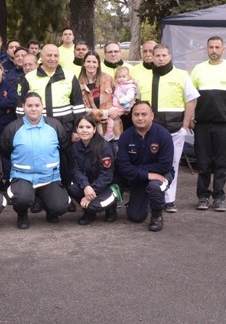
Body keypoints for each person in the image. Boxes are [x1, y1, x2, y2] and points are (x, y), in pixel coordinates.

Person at [190, 36, 226, 211]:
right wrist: (190, 118)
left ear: (224, 49)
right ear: (206, 49)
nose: (214, 50)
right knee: (203, 163)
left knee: (222, 164)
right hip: (201, 125)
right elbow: (190, 96)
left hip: (225, 125)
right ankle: (202, 197)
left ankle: (218, 198)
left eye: (217, 47)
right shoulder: (198, 69)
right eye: (211, 47)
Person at [139, 44, 199, 213]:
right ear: (152, 56)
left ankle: (169, 200)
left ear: (170, 56)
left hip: (174, 130)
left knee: (171, 165)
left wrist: (185, 126)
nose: (160, 58)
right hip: (150, 131)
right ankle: (150, 198)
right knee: (149, 164)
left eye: (164, 55)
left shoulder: (181, 75)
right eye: (157, 55)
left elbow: (191, 101)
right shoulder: (144, 77)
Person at [0, 93, 70, 229]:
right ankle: (22, 214)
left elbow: (64, 148)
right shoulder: (13, 128)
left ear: (42, 107)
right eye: (29, 105)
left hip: (49, 177)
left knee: (60, 206)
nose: (33, 109)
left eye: (37, 105)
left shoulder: (54, 126)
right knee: (22, 198)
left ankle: (50, 209)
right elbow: (5, 151)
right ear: (23, 107)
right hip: (23, 177)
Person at [115, 102, 174, 232]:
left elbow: (165, 165)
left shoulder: (163, 135)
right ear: (131, 117)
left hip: (162, 176)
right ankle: (142, 201)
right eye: (136, 114)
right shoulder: (126, 136)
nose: (140, 118)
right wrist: (146, 175)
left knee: (155, 187)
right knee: (136, 216)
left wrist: (140, 171)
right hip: (139, 178)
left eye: (144, 114)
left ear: (152, 116)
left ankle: (157, 215)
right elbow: (123, 167)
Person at [68, 115, 118, 225]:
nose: (84, 130)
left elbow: (107, 176)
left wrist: (92, 190)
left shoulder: (104, 147)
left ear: (94, 129)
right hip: (89, 184)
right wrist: (86, 186)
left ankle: (111, 208)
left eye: (88, 127)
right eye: (81, 127)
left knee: (94, 205)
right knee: (72, 187)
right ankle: (89, 212)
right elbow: (76, 170)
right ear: (77, 129)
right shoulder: (75, 147)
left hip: (106, 186)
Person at [78, 51, 121, 142]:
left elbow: (118, 95)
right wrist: (107, 113)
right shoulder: (78, 84)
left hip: (113, 129)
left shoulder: (108, 78)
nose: (91, 64)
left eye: (94, 62)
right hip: (91, 130)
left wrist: (118, 109)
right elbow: (83, 110)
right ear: (84, 64)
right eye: (88, 61)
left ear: (98, 64)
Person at [105, 66, 137, 141]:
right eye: (119, 77)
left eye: (123, 76)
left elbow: (130, 96)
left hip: (122, 106)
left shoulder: (130, 86)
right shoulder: (119, 85)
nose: (121, 78)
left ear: (128, 77)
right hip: (117, 105)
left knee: (110, 116)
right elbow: (117, 94)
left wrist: (122, 100)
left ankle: (110, 133)